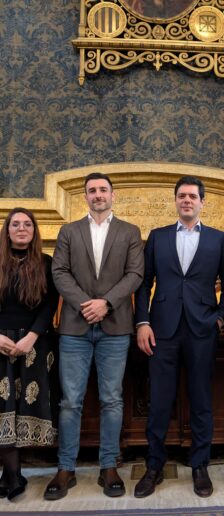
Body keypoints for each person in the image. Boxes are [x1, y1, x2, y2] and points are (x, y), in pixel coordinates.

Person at [44, 172, 144, 500]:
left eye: (103, 190)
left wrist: (106, 303)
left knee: (112, 399)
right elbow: (59, 272)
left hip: (115, 327)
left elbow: (135, 274)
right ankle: (66, 468)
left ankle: (109, 466)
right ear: (85, 196)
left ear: (112, 195)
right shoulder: (69, 231)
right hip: (75, 327)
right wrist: (86, 305)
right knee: (70, 401)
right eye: (92, 190)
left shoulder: (129, 232)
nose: (98, 195)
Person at [134, 176, 224, 498]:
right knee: (159, 400)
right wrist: (143, 322)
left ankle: (200, 465)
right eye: (181, 196)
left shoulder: (219, 239)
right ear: (175, 201)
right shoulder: (158, 237)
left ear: (202, 202)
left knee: (201, 400)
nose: (187, 200)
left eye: (192, 196)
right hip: (162, 330)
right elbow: (144, 283)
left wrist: (221, 318)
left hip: (202, 329)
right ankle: (154, 465)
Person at [0, 208, 59, 501]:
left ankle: (12, 473)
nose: (21, 228)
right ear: (7, 230)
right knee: (2, 405)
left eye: (27, 224)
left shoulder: (45, 263)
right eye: (15, 224)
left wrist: (31, 337)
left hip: (34, 344)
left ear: (34, 230)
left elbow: (50, 305)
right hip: (0, 342)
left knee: (24, 405)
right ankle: (12, 474)